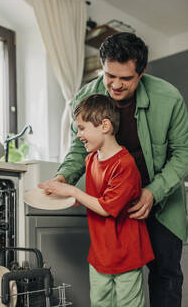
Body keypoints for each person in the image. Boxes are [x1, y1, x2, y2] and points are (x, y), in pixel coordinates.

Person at [40, 32, 188, 307]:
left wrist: (152, 192)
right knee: (112, 282)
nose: (115, 85)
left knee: (165, 276)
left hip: (161, 201)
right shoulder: (86, 95)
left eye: (126, 78)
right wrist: (63, 177)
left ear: (141, 72)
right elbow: (77, 148)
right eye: (110, 76)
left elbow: (183, 154)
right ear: (102, 67)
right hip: (113, 206)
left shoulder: (169, 98)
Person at [40, 94, 154, 307]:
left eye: (82, 128)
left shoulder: (125, 165)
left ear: (105, 126)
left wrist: (74, 192)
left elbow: (106, 207)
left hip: (126, 256)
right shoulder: (91, 159)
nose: (79, 135)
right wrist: (69, 196)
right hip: (100, 255)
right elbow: (94, 198)